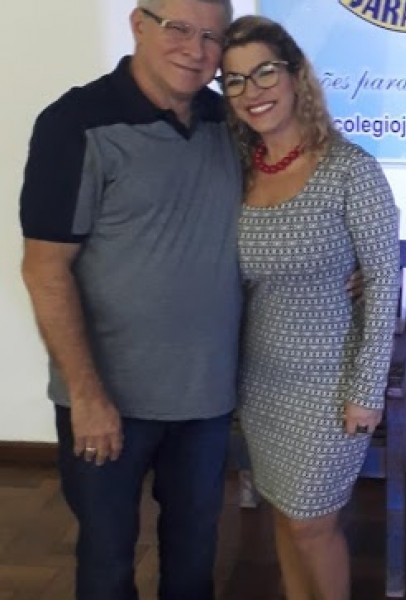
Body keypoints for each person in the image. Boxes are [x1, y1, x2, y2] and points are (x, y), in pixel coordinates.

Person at [19, 1, 239, 598]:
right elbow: (44, 269)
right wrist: (87, 395)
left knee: (194, 554)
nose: (196, 50)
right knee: (108, 558)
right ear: (139, 25)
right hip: (107, 400)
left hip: (205, 397)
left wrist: (341, 272)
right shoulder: (75, 123)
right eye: (179, 29)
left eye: (212, 37)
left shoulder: (229, 122)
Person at [220, 16, 400, 600]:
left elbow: (383, 284)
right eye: (235, 80)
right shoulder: (237, 173)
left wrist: (367, 390)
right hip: (261, 382)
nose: (252, 90)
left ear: (296, 75)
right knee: (283, 514)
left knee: (310, 525)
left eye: (264, 72)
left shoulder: (350, 169)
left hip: (330, 384)